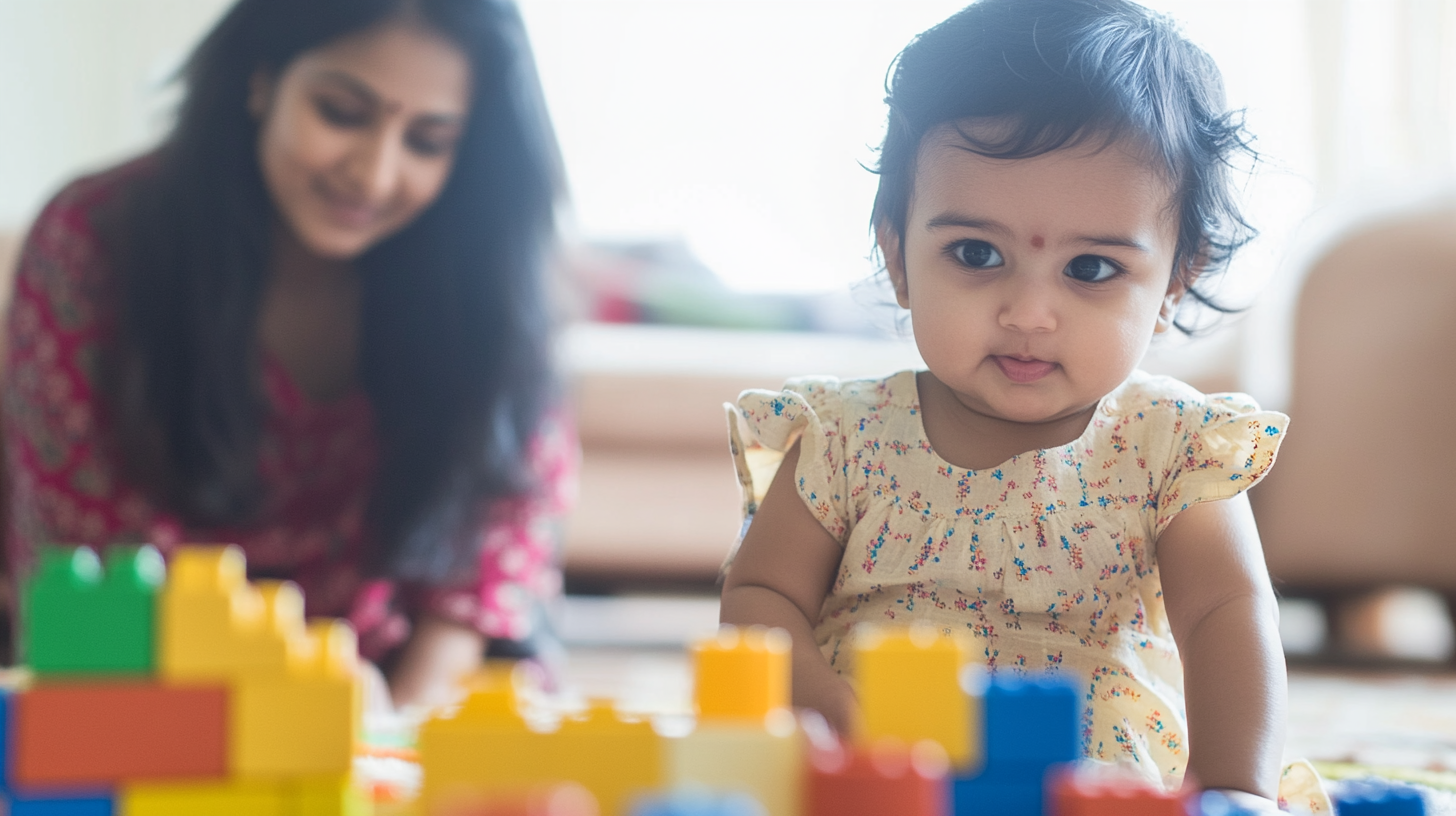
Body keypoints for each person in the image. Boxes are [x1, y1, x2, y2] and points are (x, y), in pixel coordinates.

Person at [720, 0, 1286, 805]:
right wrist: (836, 723)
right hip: (878, 778)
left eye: (1090, 270)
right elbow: (760, 598)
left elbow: (1226, 613)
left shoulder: (1171, 447)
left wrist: (1236, 787)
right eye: (976, 254)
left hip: (1089, 786)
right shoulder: (845, 437)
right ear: (898, 256)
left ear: (1174, 282)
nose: (1028, 313)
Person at [3, 0, 573, 712]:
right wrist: (293, 712)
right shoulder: (93, 241)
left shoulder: (486, 275)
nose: (373, 173)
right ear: (262, 79)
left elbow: (485, 559)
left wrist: (394, 736)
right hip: (151, 674)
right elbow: (91, 562)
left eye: (427, 141)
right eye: (341, 112)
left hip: (401, 683)